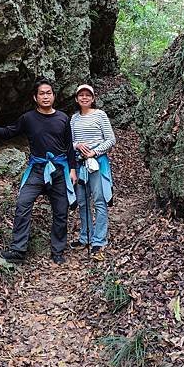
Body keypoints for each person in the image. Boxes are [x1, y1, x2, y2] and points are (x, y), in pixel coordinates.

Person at [0, 77, 77, 265]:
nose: (46, 97)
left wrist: (73, 169)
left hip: (59, 170)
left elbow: (70, 147)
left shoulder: (63, 118)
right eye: (42, 93)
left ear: (54, 96)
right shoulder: (28, 118)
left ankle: (57, 251)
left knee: (61, 211)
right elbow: (8, 132)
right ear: (35, 97)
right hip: (37, 169)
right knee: (23, 204)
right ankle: (18, 250)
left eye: (49, 93)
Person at [70, 84, 115, 260]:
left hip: (97, 162)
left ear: (93, 98)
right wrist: (77, 146)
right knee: (82, 201)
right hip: (80, 163)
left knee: (99, 199)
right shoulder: (73, 119)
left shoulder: (100, 115)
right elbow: (71, 141)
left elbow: (111, 139)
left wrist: (95, 152)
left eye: (88, 95)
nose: (84, 97)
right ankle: (85, 237)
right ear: (76, 99)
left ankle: (99, 240)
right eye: (81, 95)